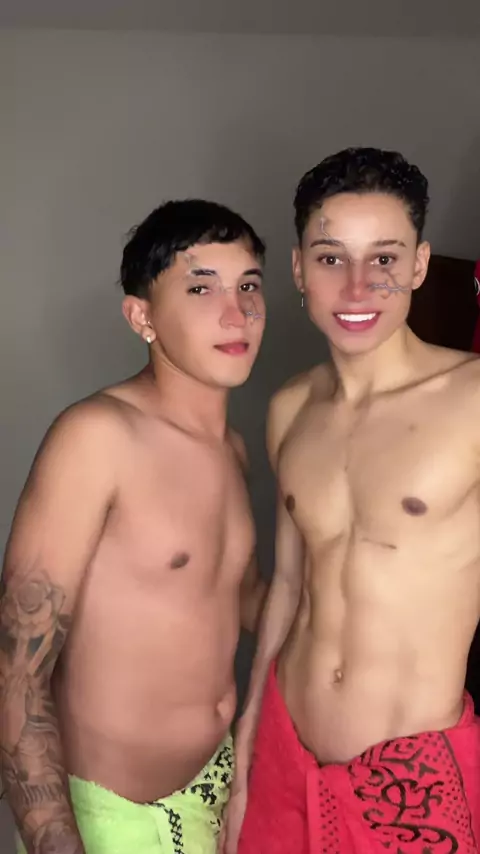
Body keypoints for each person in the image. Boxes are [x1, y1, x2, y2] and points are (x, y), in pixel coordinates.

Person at [225, 148, 480, 854]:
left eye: (385, 259)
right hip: (284, 748)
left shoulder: (472, 399)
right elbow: (288, 587)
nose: (358, 286)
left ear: (419, 266)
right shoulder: (289, 408)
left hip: (412, 777)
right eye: (332, 258)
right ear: (299, 269)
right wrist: (247, 751)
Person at [0, 199, 267, 854]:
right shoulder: (97, 437)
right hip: (110, 818)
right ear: (141, 316)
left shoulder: (232, 448)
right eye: (201, 288)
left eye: (249, 286)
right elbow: (17, 673)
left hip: (215, 791)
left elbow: (240, 598)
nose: (236, 313)